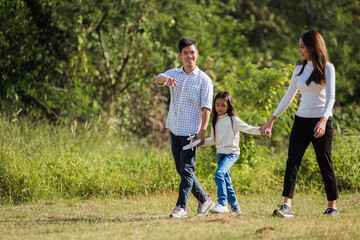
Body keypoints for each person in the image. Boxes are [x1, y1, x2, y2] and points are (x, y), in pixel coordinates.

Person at [260, 30, 339, 217]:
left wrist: (323, 120)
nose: (299, 50)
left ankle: (332, 206)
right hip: (301, 121)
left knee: (324, 162)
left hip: (322, 122)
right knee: (292, 161)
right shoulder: (299, 70)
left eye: (302, 46)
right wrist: (271, 120)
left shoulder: (328, 68)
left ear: (313, 46)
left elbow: (331, 97)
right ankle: (286, 205)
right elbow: (288, 98)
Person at [155, 38, 215, 218]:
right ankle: (205, 200)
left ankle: (181, 207)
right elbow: (157, 78)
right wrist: (166, 78)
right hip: (175, 128)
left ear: (197, 54)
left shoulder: (204, 80)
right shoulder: (174, 74)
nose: (190, 56)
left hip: (191, 132)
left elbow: (206, 107)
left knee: (187, 169)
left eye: (192, 52)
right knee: (181, 169)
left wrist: (203, 130)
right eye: (186, 53)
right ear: (180, 55)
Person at [200, 91, 269, 214]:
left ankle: (222, 204)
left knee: (219, 173)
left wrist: (263, 130)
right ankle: (236, 210)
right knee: (227, 183)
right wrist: (198, 142)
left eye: (223, 105)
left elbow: (248, 128)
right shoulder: (215, 120)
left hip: (232, 153)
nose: (220, 108)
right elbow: (213, 140)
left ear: (229, 106)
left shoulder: (233, 119)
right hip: (220, 154)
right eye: (217, 105)